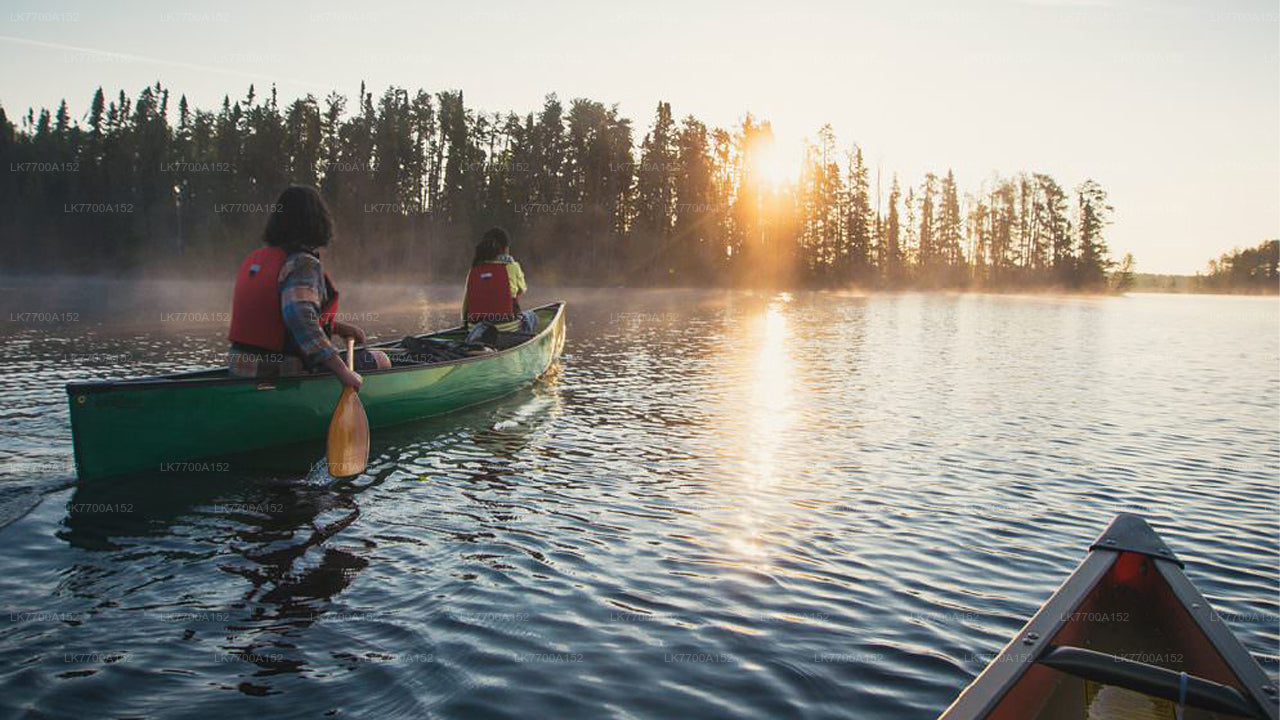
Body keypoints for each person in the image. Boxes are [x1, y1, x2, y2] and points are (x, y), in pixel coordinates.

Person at [227, 185, 388, 387]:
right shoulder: (302, 263)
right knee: (380, 359)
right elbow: (301, 320)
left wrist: (336, 328)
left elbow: (281, 316)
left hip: (239, 368)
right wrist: (343, 372)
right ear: (318, 221)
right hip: (278, 371)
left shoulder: (258, 259)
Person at [462, 227, 537, 340]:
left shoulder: (474, 270)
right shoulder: (512, 266)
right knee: (532, 316)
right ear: (506, 249)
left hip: (476, 330)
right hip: (507, 330)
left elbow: (466, 306)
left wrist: (466, 326)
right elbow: (522, 289)